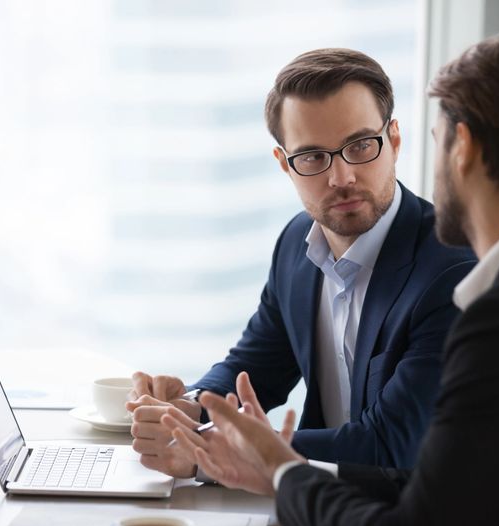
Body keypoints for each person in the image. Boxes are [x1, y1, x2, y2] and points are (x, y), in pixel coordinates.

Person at [162, 37, 499, 526]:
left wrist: (275, 468)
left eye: (437, 137)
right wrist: (211, 426)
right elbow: (443, 489)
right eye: (314, 158)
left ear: (460, 146)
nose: (342, 175)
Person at [126, 48, 476, 478]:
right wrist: (188, 408)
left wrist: (210, 446)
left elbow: (391, 443)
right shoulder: (297, 243)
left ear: (395, 141)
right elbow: (255, 367)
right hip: (307, 502)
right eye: (312, 157)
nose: (342, 177)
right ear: (284, 165)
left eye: (361, 146)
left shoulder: (451, 271)